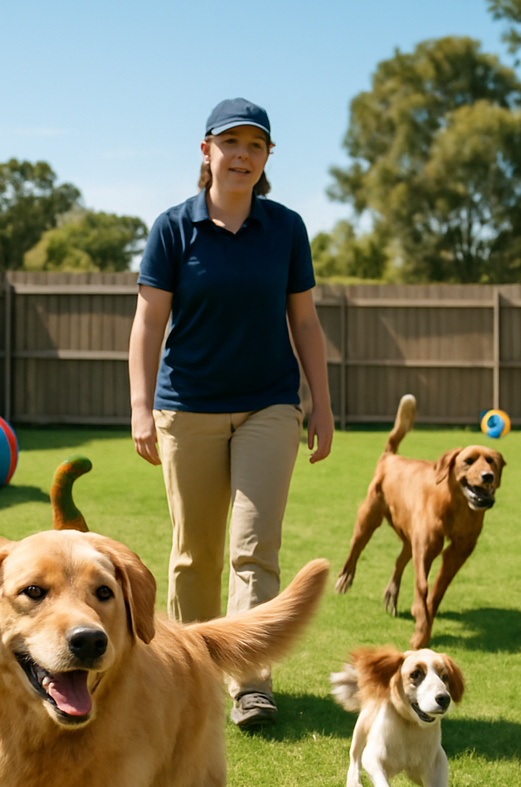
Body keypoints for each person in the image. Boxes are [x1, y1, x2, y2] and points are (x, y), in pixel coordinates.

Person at [128, 97, 334, 730]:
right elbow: (148, 322)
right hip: (186, 407)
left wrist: (320, 405)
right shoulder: (172, 228)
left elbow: (304, 320)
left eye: (256, 146)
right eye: (231, 143)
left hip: (270, 405)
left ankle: (250, 680)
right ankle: (191, 673)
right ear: (206, 150)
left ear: (267, 158)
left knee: (255, 547)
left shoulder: (286, 229)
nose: (242, 155)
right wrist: (140, 406)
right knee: (195, 553)